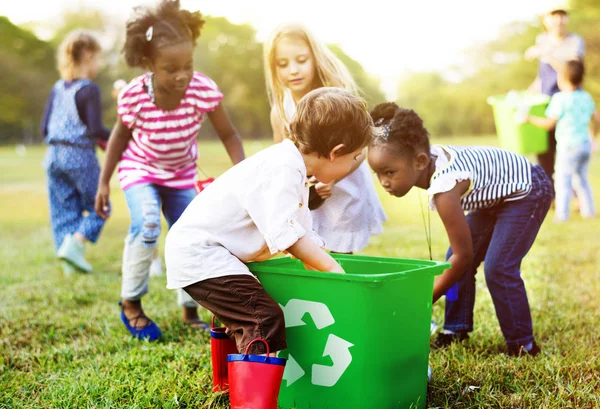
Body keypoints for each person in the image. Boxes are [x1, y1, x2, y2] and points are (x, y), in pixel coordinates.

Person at [165, 87, 372, 357]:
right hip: (201, 253)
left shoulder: (293, 168)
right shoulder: (282, 169)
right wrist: (332, 268)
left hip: (213, 254)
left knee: (249, 314)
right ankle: (252, 398)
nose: (355, 163)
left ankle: (228, 381)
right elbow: (287, 235)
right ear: (336, 152)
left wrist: (321, 267)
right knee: (262, 317)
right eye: (355, 157)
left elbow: (303, 234)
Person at [94, 0, 245, 341]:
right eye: (170, 68)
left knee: (192, 235)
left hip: (180, 174)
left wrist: (243, 175)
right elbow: (118, 139)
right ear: (149, 64)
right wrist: (104, 182)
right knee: (147, 223)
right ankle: (131, 303)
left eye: (187, 65)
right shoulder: (135, 96)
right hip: (140, 169)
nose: (181, 75)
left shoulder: (202, 90)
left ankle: (189, 309)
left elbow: (229, 134)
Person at [368, 102, 553, 357]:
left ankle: (523, 345)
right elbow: (458, 256)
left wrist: (425, 298)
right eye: (377, 173)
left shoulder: (445, 187)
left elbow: (463, 256)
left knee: (498, 267)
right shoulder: (424, 158)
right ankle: (456, 329)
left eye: (389, 172)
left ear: (420, 161)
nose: (384, 182)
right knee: (451, 261)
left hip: (527, 190)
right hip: (495, 197)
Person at [264, 23, 386, 254]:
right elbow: (281, 159)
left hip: (344, 189)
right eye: (283, 64)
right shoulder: (281, 109)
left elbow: (361, 149)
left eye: (301, 60)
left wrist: (331, 180)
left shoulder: (337, 99)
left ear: (315, 58)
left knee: (340, 252)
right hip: (309, 194)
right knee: (310, 250)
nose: (293, 70)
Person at [41, 30, 110, 275]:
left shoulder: (57, 88)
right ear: (89, 55)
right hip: (79, 155)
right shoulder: (89, 89)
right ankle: (76, 245)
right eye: (98, 58)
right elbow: (95, 129)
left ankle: (69, 262)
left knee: (63, 210)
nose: (98, 64)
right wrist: (121, 136)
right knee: (100, 207)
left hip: (52, 156)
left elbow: (43, 128)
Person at [526, 60, 598, 221]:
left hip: (568, 146)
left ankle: (562, 215)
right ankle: (589, 211)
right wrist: (593, 137)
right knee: (581, 179)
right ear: (582, 79)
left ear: (562, 79)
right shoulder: (585, 97)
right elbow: (597, 118)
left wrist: (528, 119)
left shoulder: (560, 99)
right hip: (585, 144)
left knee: (562, 179)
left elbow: (548, 124)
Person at [524, 4, 585, 185]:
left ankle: (575, 196)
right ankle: (549, 195)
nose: (559, 19)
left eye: (562, 15)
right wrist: (525, 94)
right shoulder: (542, 39)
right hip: (546, 102)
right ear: (545, 19)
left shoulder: (575, 41)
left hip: (568, 103)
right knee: (545, 152)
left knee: (568, 150)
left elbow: (571, 72)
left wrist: (546, 53)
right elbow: (542, 77)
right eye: (554, 15)